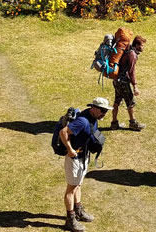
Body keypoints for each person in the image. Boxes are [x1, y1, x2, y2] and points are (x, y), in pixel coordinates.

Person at [58, 97, 112, 232]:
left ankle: (78, 210)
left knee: (78, 185)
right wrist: (70, 150)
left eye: (106, 111)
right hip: (75, 158)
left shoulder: (93, 118)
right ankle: (70, 220)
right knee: (71, 188)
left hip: (84, 156)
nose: (104, 114)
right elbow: (63, 132)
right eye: (102, 110)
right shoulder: (82, 121)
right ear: (93, 108)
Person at [110, 35, 147, 131]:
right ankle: (133, 123)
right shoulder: (132, 55)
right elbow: (131, 71)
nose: (143, 47)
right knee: (130, 102)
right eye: (142, 45)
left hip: (116, 79)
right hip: (123, 81)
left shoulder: (128, 51)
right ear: (137, 45)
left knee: (117, 101)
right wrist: (135, 86)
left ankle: (114, 123)